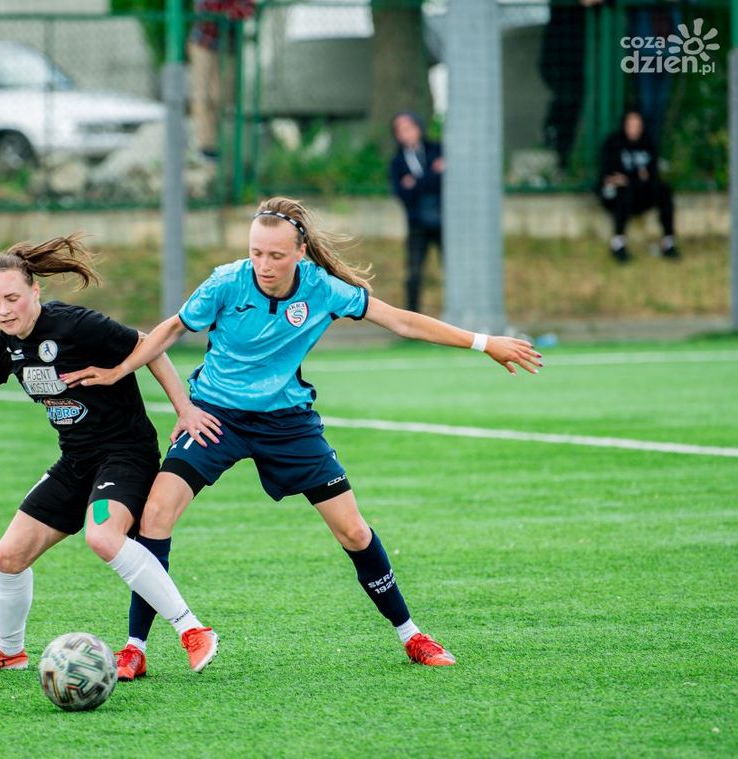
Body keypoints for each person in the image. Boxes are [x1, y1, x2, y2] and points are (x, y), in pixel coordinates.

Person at [62, 197, 543, 669]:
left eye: (275, 255)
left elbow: (401, 321)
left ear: (300, 253)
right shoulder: (225, 283)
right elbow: (168, 330)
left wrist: (484, 343)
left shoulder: (322, 288)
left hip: (288, 425)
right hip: (215, 417)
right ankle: (136, 648)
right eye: (255, 252)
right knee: (156, 516)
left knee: (353, 530)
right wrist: (123, 372)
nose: (264, 265)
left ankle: (412, 635)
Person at [0, 236, 223, 679]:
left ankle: (192, 630)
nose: (3, 309)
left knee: (103, 538)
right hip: (76, 462)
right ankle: (9, 650)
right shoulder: (3, 347)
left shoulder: (76, 326)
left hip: (125, 455)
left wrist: (184, 408)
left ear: (35, 292)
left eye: (12, 297)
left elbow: (149, 346)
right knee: (7, 557)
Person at [596, 110, 677, 263]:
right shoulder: (613, 142)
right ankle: (618, 245)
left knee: (664, 190)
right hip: (614, 194)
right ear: (624, 125)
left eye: (638, 126)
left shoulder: (648, 143)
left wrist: (628, 178)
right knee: (624, 192)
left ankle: (668, 243)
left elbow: (652, 175)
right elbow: (609, 177)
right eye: (631, 125)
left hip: (641, 193)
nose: (634, 129)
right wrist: (634, 178)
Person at [538, 0, 602, 171]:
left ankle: (562, 155)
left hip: (577, 60)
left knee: (573, 102)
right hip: (556, 55)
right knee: (565, 97)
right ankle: (551, 131)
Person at [388, 112, 442, 313]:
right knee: (414, 272)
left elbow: (443, 182)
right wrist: (430, 176)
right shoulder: (397, 162)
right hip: (417, 222)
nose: (406, 134)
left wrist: (416, 181)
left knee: (454, 270)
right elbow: (402, 193)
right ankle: (412, 316)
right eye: (400, 130)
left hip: (443, 221)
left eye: (409, 128)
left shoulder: (436, 149)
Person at [189, 0, 255, 161]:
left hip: (228, 42)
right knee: (201, 93)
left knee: (220, 95)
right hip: (204, 40)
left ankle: (216, 142)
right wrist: (229, 12)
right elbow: (207, 9)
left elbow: (247, 10)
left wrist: (229, 13)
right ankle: (204, 144)